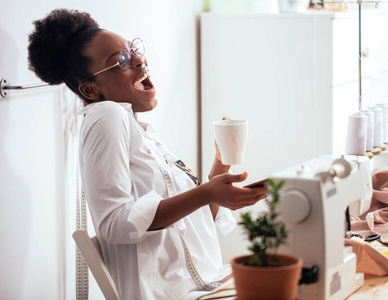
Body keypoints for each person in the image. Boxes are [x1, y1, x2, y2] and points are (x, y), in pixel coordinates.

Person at [27, 9, 267, 300]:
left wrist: (221, 163)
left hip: (207, 284)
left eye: (134, 50)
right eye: (121, 61)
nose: (138, 60)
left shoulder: (142, 131)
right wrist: (206, 193)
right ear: (91, 89)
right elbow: (115, 224)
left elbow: (192, 219)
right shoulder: (106, 115)